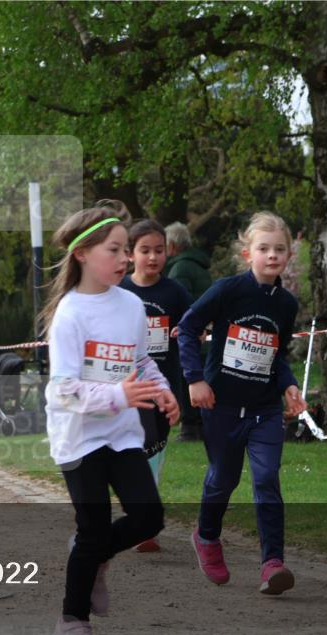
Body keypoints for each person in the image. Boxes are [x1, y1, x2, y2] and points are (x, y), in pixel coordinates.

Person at [41, 203, 179, 635]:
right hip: (79, 435)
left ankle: (95, 555)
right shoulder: (70, 313)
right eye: (114, 250)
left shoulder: (132, 305)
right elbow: (62, 390)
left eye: (126, 250)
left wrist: (161, 391)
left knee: (148, 517)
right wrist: (120, 396)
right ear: (82, 253)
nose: (125, 259)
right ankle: (71, 622)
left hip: (121, 433)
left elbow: (141, 362)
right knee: (94, 528)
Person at [177, 211, 308, 596]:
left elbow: (277, 354)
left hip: (264, 409)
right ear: (247, 252)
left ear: (288, 255)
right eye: (263, 248)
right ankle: (207, 537)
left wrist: (289, 386)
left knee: (266, 479)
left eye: (279, 249)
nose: (272, 255)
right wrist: (195, 378)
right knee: (223, 480)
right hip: (220, 404)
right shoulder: (227, 290)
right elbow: (186, 327)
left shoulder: (286, 304)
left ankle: (273, 563)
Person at [119, 219, 193, 552]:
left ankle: (143, 515)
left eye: (159, 251)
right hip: (127, 387)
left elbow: (191, 331)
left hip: (164, 386)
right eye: (145, 250)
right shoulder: (120, 292)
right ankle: (142, 518)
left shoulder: (175, 293)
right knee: (132, 449)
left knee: (156, 450)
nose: (152, 257)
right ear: (130, 254)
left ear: (168, 252)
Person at [165, 221, 213, 442]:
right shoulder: (200, 267)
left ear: (172, 246)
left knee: (187, 379)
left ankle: (189, 428)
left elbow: (178, 303)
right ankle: (201, 425)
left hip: (188, 334)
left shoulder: (180, 269)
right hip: (204, 334)